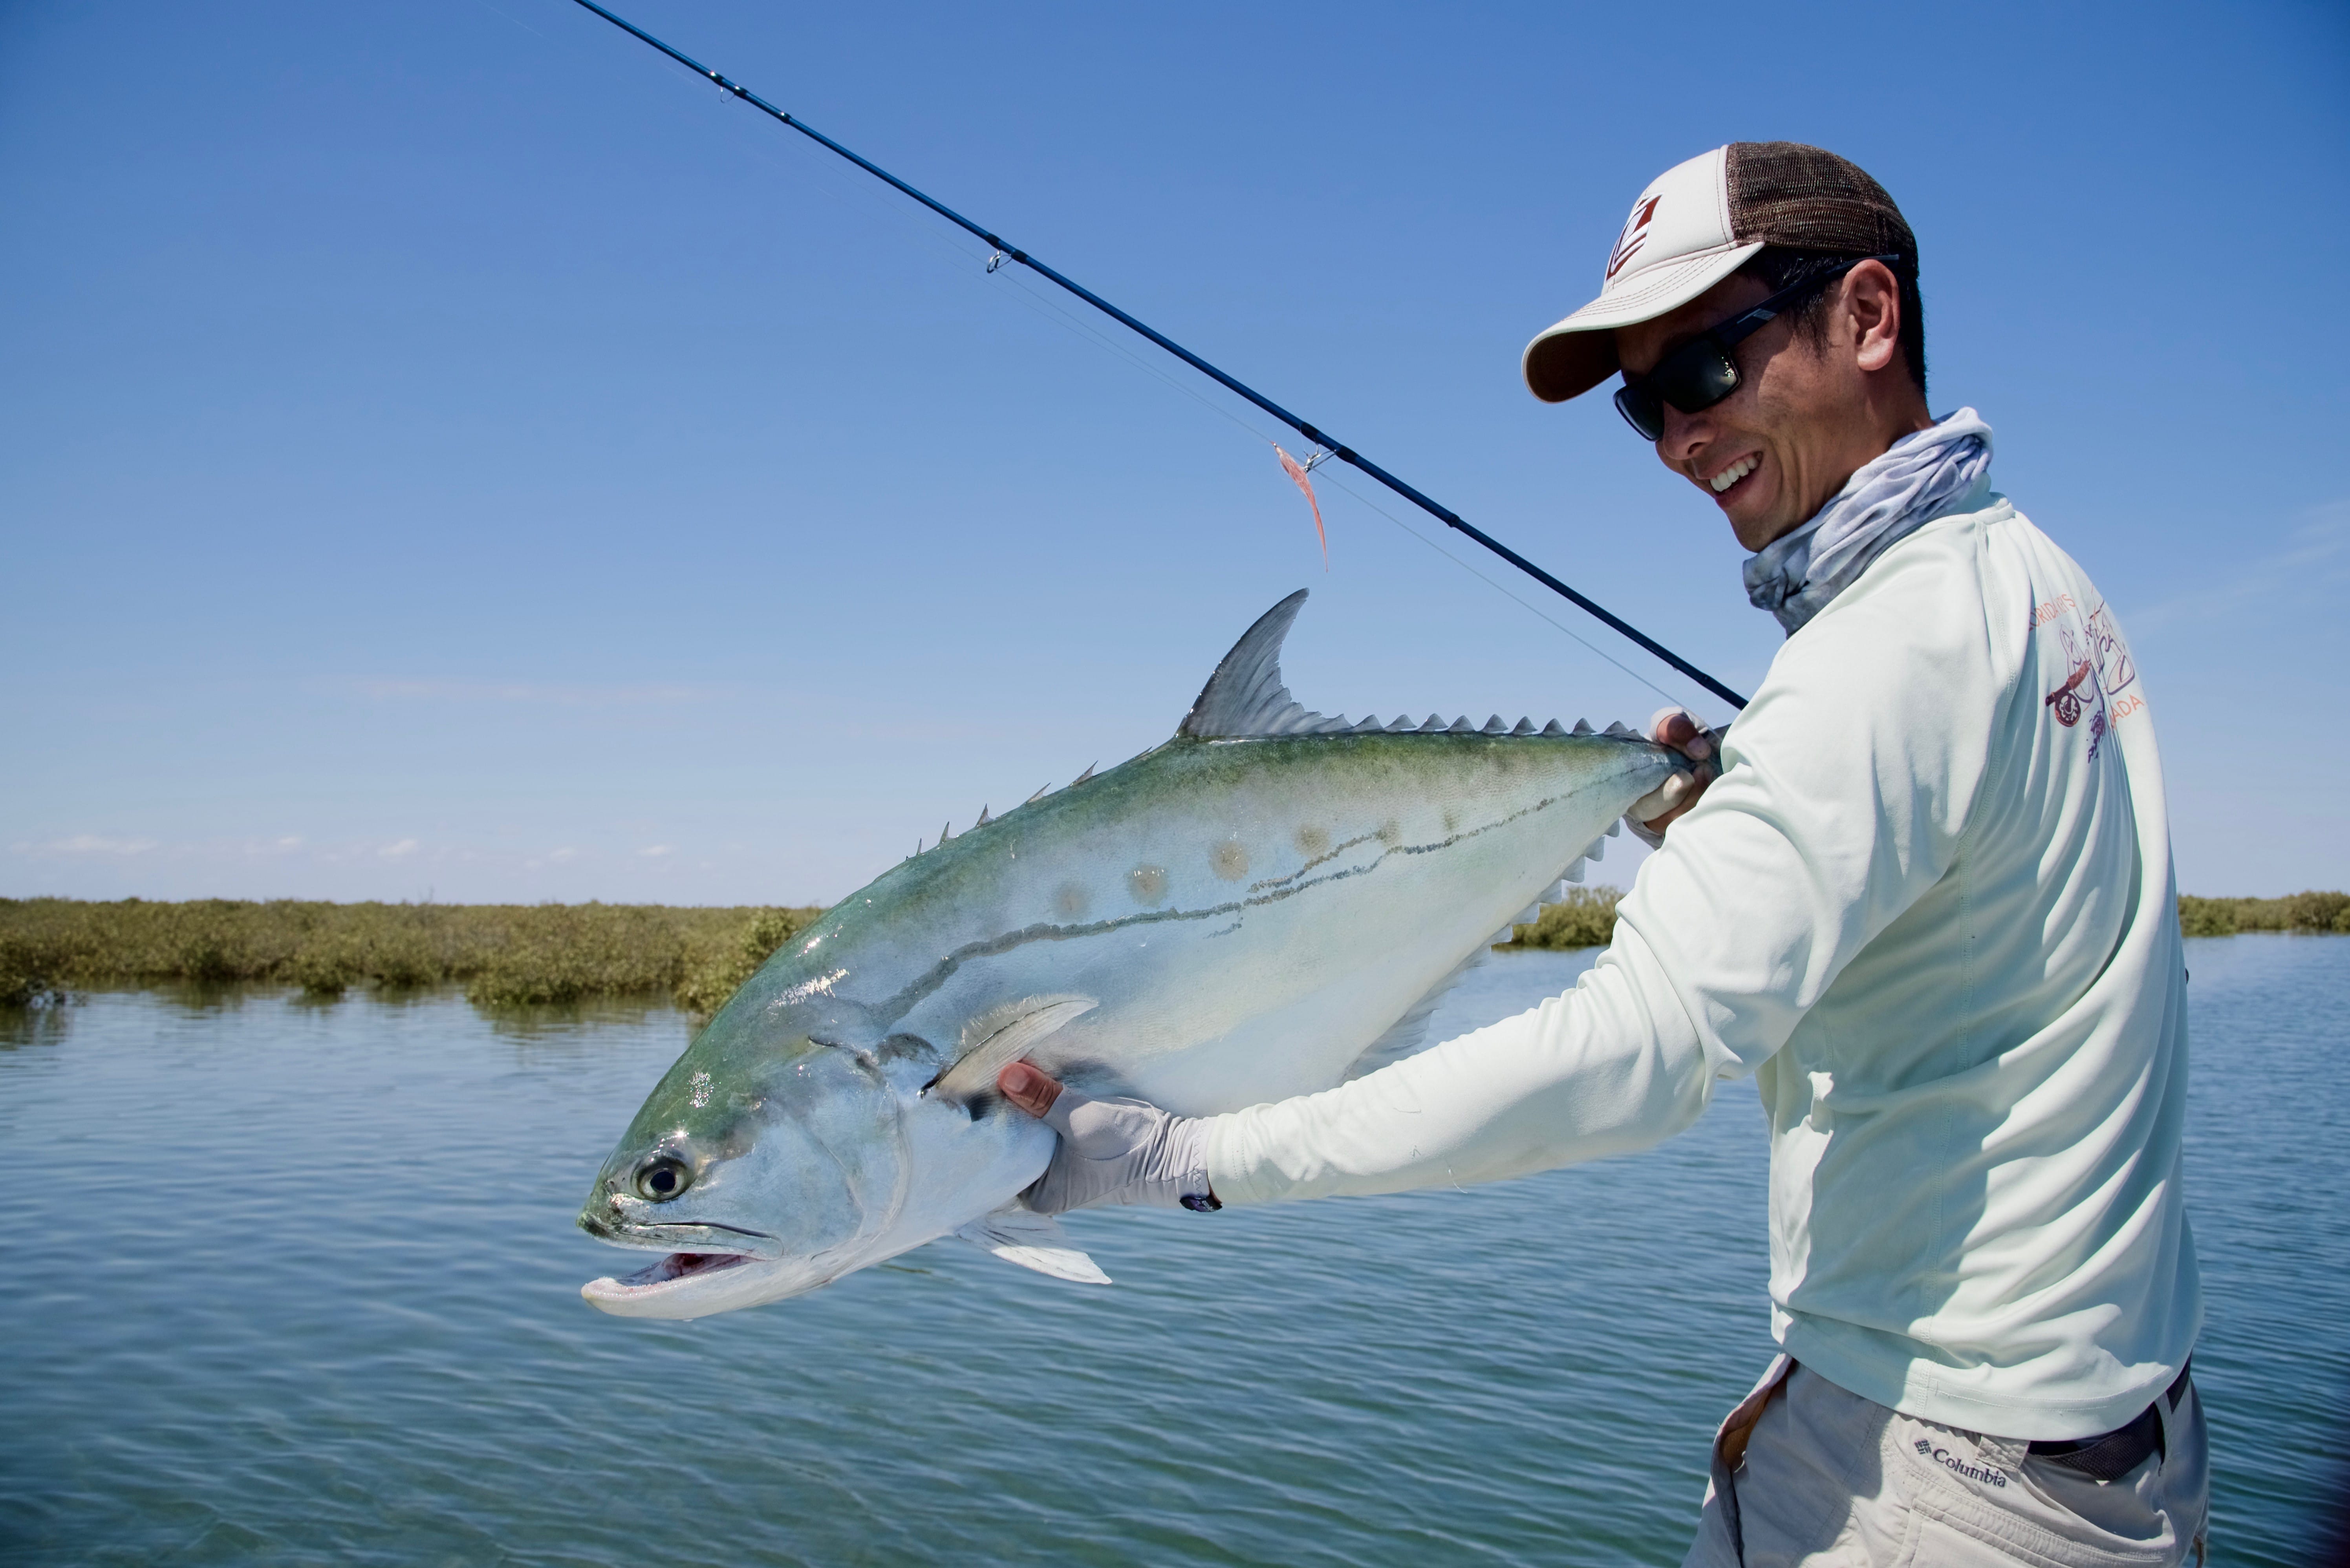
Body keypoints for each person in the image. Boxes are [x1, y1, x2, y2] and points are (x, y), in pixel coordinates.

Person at [998, 142, 2207, 1567]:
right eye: (1644, 407)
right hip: (2118, 1441)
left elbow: (1628, 1060)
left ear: (1869, 318)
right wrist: (1736, 837)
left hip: (1945, 1484)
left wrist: (1178, 1157)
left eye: (1705, 366)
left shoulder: (1882, 650)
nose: (1683, 441)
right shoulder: (2030, 577)